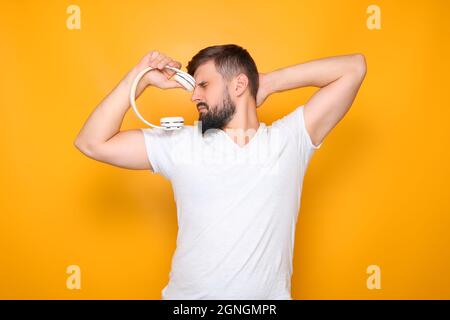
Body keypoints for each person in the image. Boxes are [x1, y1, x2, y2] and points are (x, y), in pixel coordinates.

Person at [74, 44, 367, 299]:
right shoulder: (180, 143)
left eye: (203, 85)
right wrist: (138, 78)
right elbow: (91, 142)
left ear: (239, 85)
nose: (193, 97)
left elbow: (354, 67)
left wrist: (267, 82)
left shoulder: (289, 140)